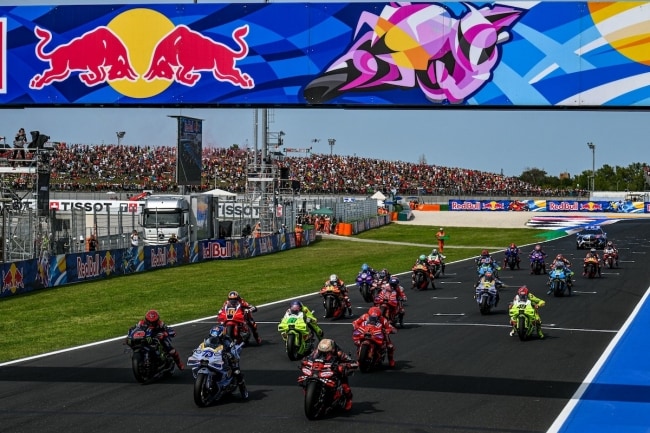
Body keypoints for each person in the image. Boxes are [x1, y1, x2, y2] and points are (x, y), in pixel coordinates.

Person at [301, 338, 357, 411]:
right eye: (321, 352)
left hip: (334, 371)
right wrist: (304, 361)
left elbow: (354, 363)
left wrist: (344, 366)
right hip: (320, 369)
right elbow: (308, 358)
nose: (323, 354)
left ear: (332, 350)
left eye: (326, 352)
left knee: (345, 387)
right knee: (306, 379)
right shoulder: (316, 352)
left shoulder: (339, 353)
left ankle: (348, 400)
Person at [202, 324, 248, 398]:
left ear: (221, 335)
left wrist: (230, 354)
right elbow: (202, 346)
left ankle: (243, 390)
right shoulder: (207, 340)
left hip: (224, 359)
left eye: (217, 337)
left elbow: (233, 349)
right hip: (213, 358)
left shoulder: (227, 340)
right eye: (212, 336)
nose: (214, 338)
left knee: (236, 371)